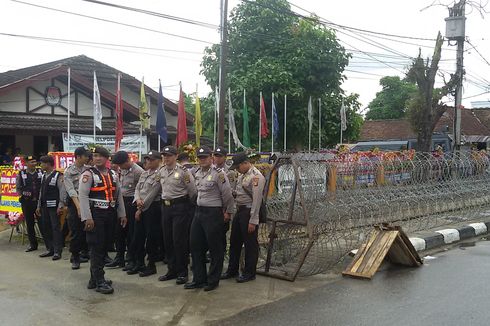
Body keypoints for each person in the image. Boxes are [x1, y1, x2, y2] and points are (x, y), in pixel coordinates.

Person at [185, 146, 235, 292]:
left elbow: (227, 195)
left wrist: (228, 212)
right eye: (200, 158)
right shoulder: (197, 173)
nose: (202, 160)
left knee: (215, 248)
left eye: (205, 157)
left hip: (213, 213)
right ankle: (199, 279)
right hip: (199, 212)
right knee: (195, 245)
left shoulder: (218, 174)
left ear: (211, 158)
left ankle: (213, 280)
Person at [78, 146, 126, 294]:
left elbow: (118, 195)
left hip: (110, 214)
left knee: (104, 246)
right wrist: (87, 218)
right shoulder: (88, 174)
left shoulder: (113, 174)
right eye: (95, 156)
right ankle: (99, 280)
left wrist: (122, 214)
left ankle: (94, 279)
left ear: (106, 158)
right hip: (95, 215)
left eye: (101, 156)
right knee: (96, 247)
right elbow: (83, 196)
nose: (97, 158)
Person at [222, 152, 265, 283]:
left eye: (237, 167)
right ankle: (232, 269)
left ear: (245, 163)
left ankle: (249, 272)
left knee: (250, 244)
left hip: (248, 212)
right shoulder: (242, 175)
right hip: (239, 211)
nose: (236, 169)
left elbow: (257, 201)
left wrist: (253, 220)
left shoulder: (256, 176)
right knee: (235, 242)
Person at [158, 146, 197, 285]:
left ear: (175, 156)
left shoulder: (183, 172)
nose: (166, 158)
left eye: (169, 155)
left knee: (179, 240)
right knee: (167, 239)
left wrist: (187, 206)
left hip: (180, 206)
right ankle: (171, 270)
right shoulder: (161, 170)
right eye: (164, 155)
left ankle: (182, 272)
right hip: (166, 207)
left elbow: (192, 191)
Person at [129, 151, 162, 277]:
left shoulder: (159, 174)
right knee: (138, 236)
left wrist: (140, 208)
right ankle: (139, 262)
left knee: (151, 237)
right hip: (140, 205)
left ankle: (151, 265)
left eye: (151, 159)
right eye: (147, 159)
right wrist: (137, 200)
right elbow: (137, 188)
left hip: (152, 208)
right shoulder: (144, 173)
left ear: (158, 160)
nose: (148, 161)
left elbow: (153, 193)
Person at [110, 150, 144, 271]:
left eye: (120, 165)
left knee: (131, 233)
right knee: (119, 232)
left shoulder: (138, 172)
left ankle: (131, 258)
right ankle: (119, 257)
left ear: (127, 161)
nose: (119, 167)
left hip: (132, 203)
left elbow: (141, 190)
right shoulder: (121, 170)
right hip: (121, 202)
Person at [63, 147, 90, 270]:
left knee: (86, 229)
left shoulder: (88, 170)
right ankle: (75, 256)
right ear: (78, 157)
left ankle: (84, 253)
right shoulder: (69, 171)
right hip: (74, 203)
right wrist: (79, 207)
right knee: (75, 231)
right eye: (85, 156)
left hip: (87, 202)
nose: (88, 158)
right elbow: (71, 190)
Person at [36, 155, 65, 260]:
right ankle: (50, 249)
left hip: (54, 207)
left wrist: (61, 205)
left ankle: (57, 251)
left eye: (42, 163)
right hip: (44, 207)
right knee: (46, 227)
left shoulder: (58, 175)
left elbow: (62, 191)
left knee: (55, 228)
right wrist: (39, 205)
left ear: (48, 164)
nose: (41, 165)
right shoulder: (44, 175)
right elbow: (41, 192)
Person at [213, 146, 238, 253]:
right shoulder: (210, 169)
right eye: (215, 156)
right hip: (212, 207)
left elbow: (231, 193)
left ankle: (220, 255)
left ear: (225, 157)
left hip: (222, 208)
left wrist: (228, 211)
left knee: (220, 234)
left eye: (220, 156)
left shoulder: (230, 172)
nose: (217, 158)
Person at [16, 155, 43, 252]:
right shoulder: (21, 173)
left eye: (35, 162)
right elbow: (18, 187)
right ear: (26, 163)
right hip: (27, 203)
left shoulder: (40, 172)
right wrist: (22, 196)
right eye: (31, 162)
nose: (34, 164)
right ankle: (33, 245)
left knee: (42, 222)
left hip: (39, 202)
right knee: (30, 223)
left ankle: (48, 243)